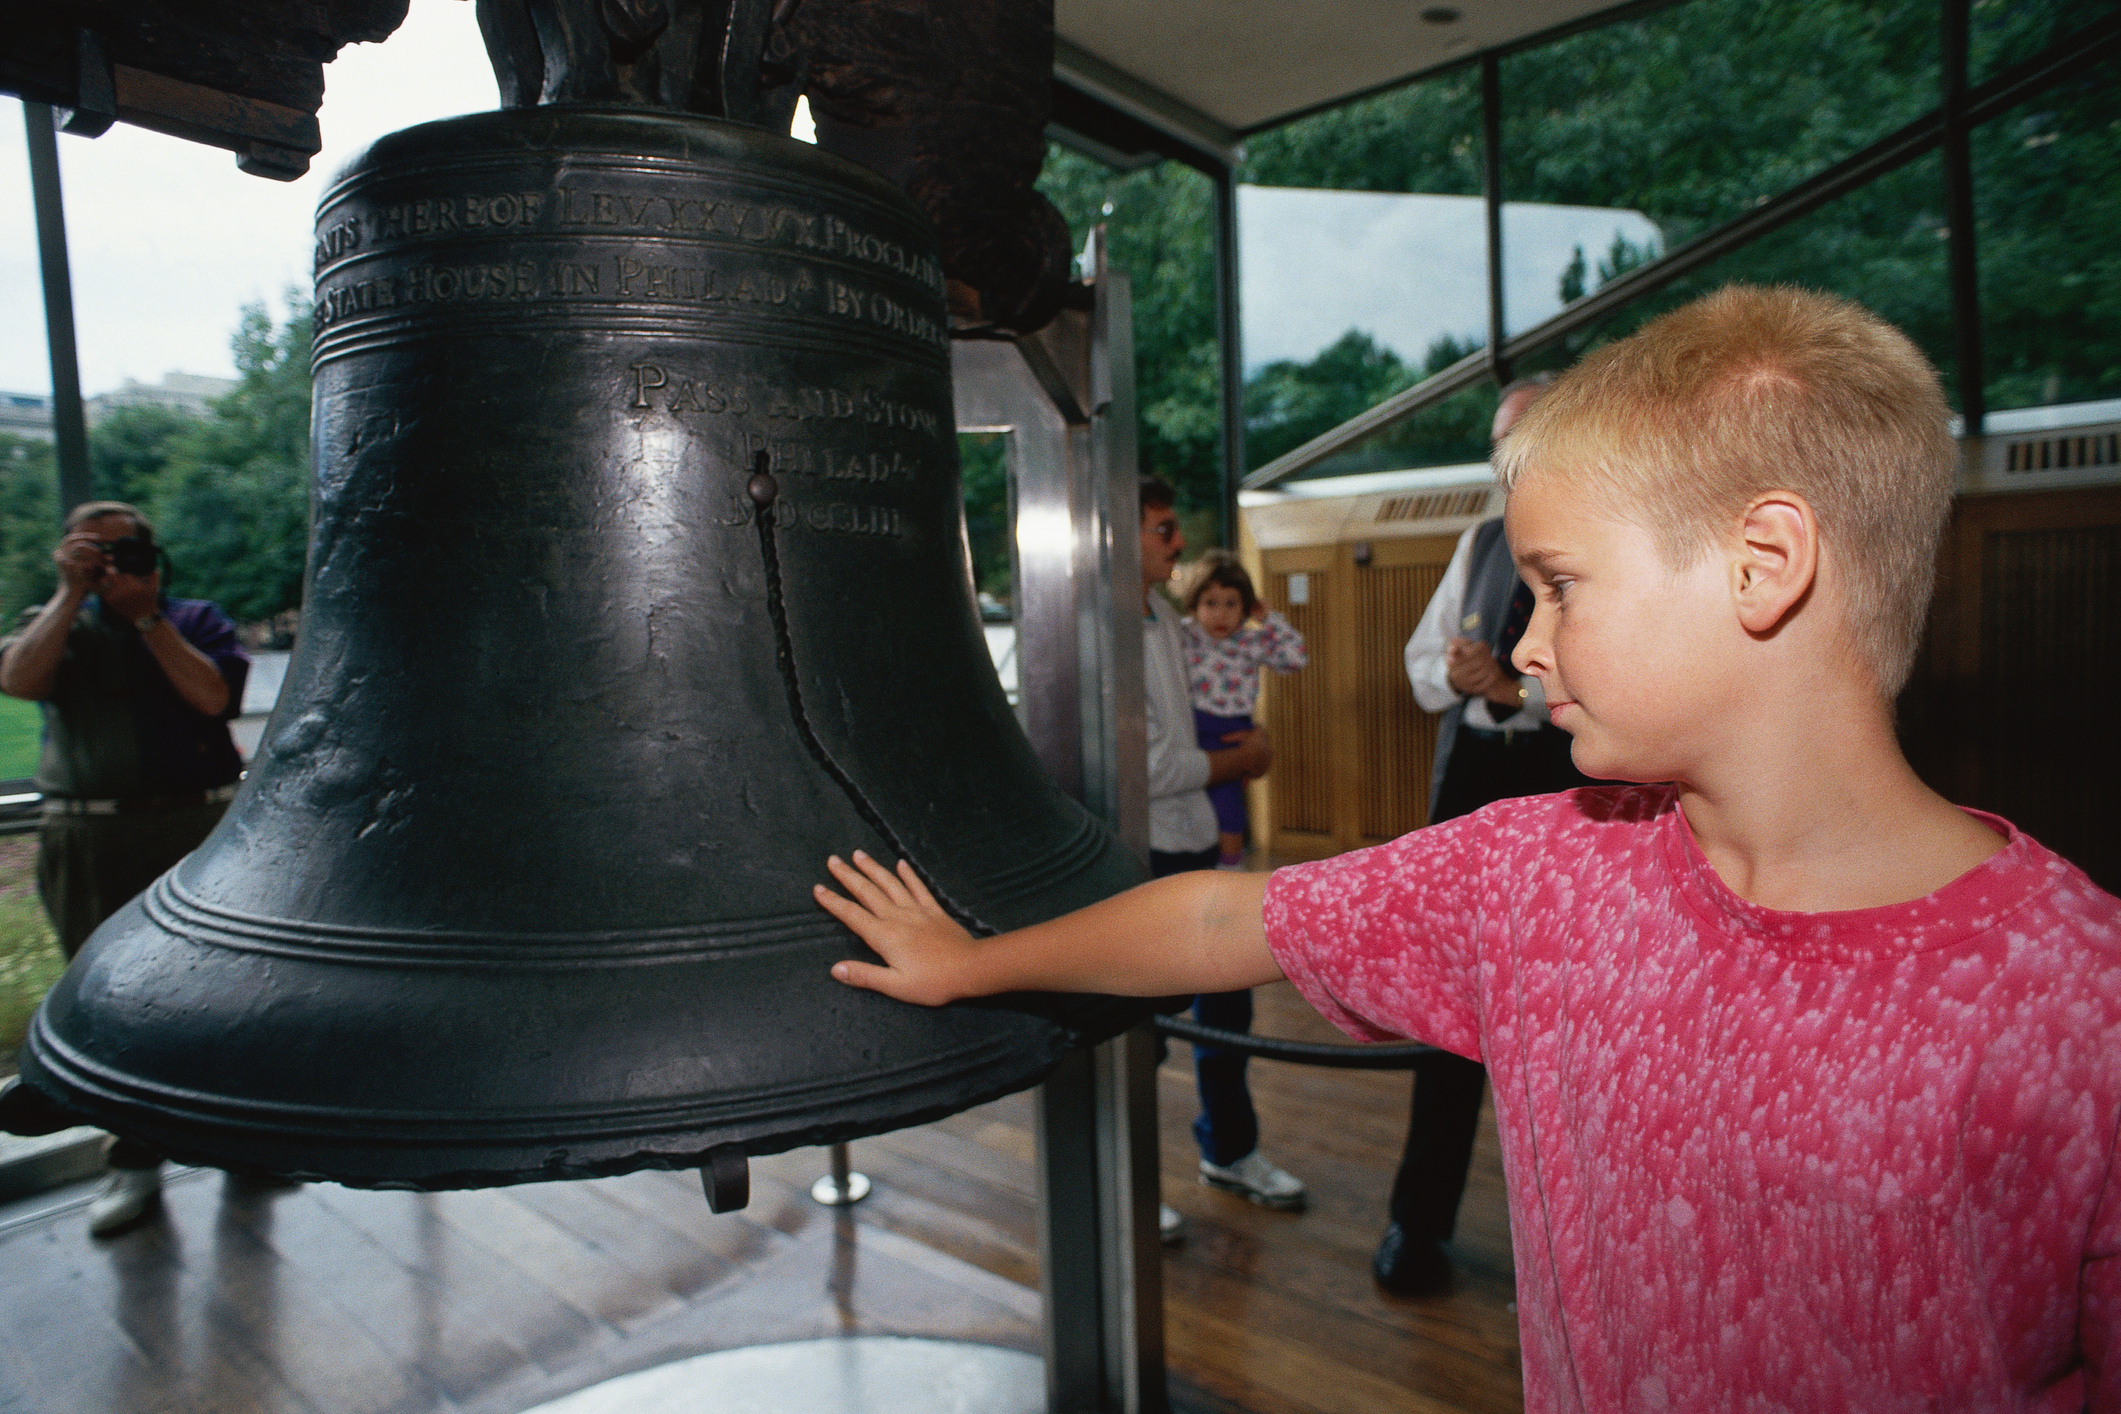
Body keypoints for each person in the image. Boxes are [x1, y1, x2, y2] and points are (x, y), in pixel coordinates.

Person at [815, 287, 2121, 1412]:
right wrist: (976, 960)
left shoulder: (2077, 1005)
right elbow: (1228, 922)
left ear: (1762, 562)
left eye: (1560, 583)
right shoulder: (1534, 874)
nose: (1528, 643)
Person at [1378, 373, 1596, 1296]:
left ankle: (1583, 1252)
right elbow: (1422, 662)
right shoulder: (1477, 543)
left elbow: (1641, 687)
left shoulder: (1613, 541)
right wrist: (1460, 672)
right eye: (1500, 449)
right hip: (1472, 792)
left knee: (1576, 1035)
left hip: (1579, 796)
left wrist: (1516, 690)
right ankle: (1414, 1224)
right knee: (1451, 1017)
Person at [0, 501, 249, 1237]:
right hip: (90, 832)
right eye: (93, 550)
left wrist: (148, 620)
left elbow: (211, 695)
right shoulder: (56, 621)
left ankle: (243, 1142)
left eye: (125, 550)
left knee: (223, 993)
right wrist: (70, 595)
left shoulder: (194, 618)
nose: (112, 563)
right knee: (107, 1003)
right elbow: (19, 680)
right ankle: (132, 1162)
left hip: (195, 826)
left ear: (153, 555)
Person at [1138, 479, 1305, 1214]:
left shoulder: (1165, 615)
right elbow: (1146, 767)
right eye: (1164, 529)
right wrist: (1240, 760)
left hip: (1198, 839)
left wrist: (1251, 744)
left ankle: (1230, 1150)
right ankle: (1128, 1182)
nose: (1178, 544)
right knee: (1139, 1034)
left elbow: (1257, 667)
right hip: (1141, 855)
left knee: (1226, 1012)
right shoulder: (1111, 625)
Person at [1180, 550, 1307, 870]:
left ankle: (1231, 865)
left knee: (1229, 806)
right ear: (1195, 605)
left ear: (1245, 607)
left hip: (1232, 732)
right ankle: (1196, 867)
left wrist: (1269, 619)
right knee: (1194, 803)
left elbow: (1296, 658)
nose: (1221, 614)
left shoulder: (1251, 641)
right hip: (1191, 727)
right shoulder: (1186, 634)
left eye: (1231, 604)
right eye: (1210, 603)